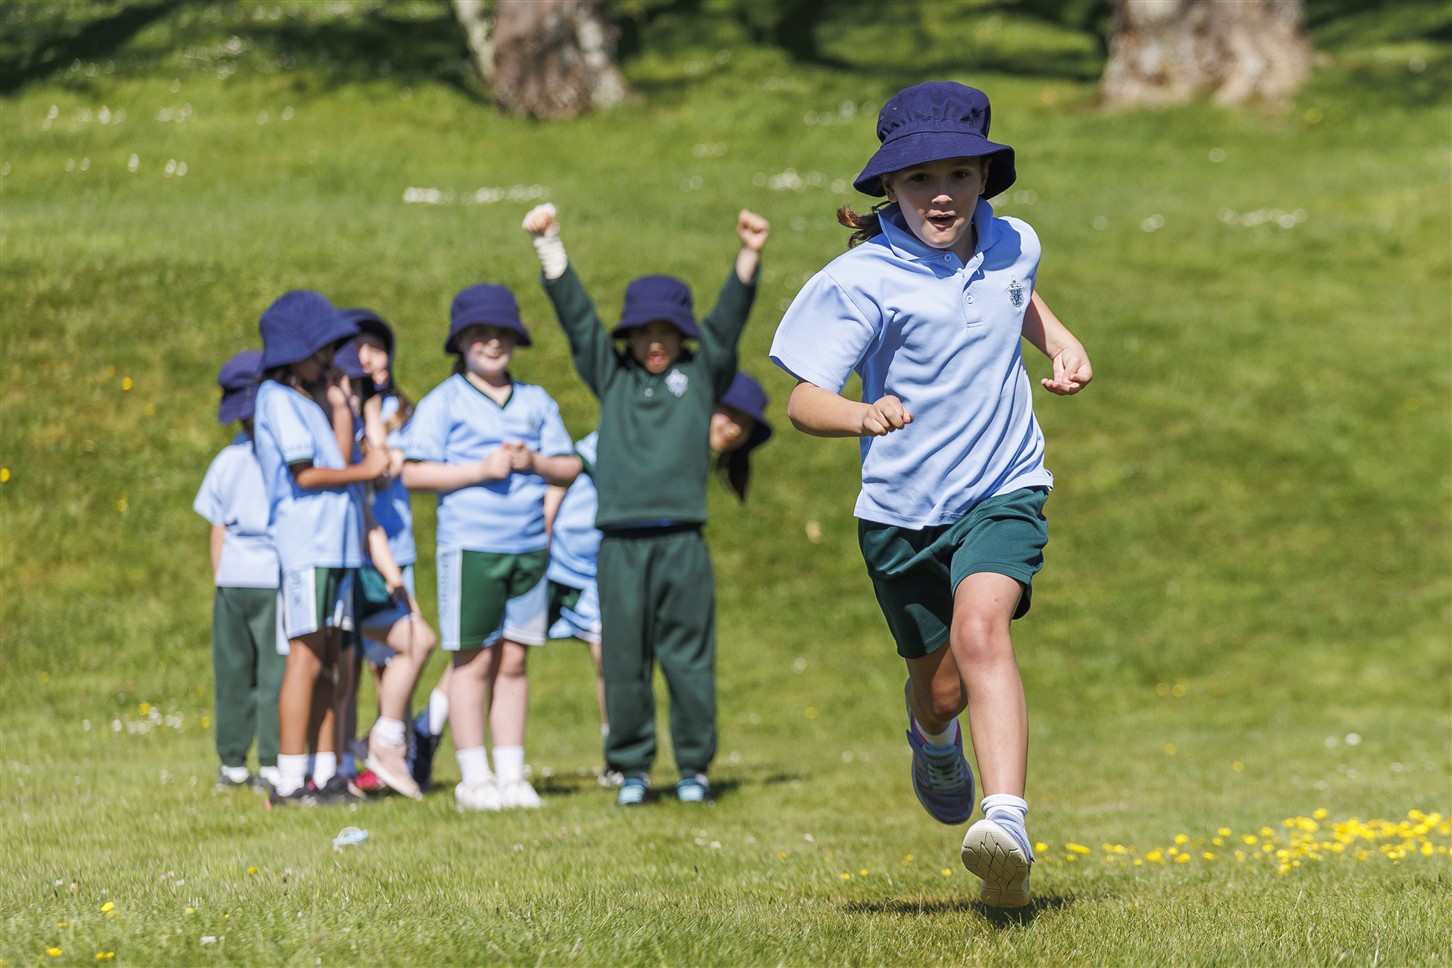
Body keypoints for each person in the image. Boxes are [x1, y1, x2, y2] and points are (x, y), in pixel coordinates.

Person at [767, 80, 1093, 907]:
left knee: (983, 627)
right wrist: (858, 414)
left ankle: (1008, 823)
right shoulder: (863, 280)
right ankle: (931, 737)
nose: (941, 193)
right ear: (887, 188)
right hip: (901, 514)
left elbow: (1013, 288)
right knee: (939, 684)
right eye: (919, 180)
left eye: (959, 174)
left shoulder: (1015, 241)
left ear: (986, 180)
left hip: (1003, 486)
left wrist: (1057, 338)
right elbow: (803, 399)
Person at [522, 203, 770, 806]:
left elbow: (728, 322)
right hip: (620, 546)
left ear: (680, 336)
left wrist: (750, 254)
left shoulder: (702, 374)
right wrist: (550, 245)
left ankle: (693, 770)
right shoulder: (612, 378)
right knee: (624, 660)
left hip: (682, 543)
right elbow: (579, 321)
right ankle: (631, 770)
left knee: (688, 659)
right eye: (643, 333)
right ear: (629, 337)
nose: (654, 343)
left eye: (665, 333)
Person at [541, 371, 775, 788]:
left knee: (611, 656)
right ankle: (429, 730)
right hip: (563, 555)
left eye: (746, 424)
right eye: (729, 414)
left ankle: (622, 762)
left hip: (607, 566)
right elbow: (574, 464)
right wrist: (545, 527)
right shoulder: (645, 428)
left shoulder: (689, 456)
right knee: (496, 648)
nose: (734, 428)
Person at [402, 283, 581, 812]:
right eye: (480, 333)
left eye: (503, 333)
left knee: (515, 662)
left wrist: (536, 464)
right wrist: (479, 470)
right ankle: (473, 778)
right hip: (470, 548)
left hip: (528, 549)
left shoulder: (536, 402)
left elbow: (569, 465)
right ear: (460, 342)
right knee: (472, 662)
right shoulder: (444, 401)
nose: (493, 342)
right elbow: (412, 472)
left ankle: (511, 774)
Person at [253, 291, 391, 807]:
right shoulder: (276, 399)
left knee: (337, 659)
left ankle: (327, 771)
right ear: (293, 352)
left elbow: (336, 454)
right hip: (306, 544)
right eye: (320, 351)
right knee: (307, 657)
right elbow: (307, 473)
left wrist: (340, 405)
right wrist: (367, 471)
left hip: (338, 545)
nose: (329, 361)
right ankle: (290, 778)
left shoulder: (311, 401)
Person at [193, 349, 287, 793]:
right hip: (272, 577)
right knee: (273, 672)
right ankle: (270, 762)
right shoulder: (284, 458)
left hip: (234, 577)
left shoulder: (225, 462)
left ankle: (233, 764)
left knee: (234, 672)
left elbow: (219, 528)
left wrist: (219, 581)